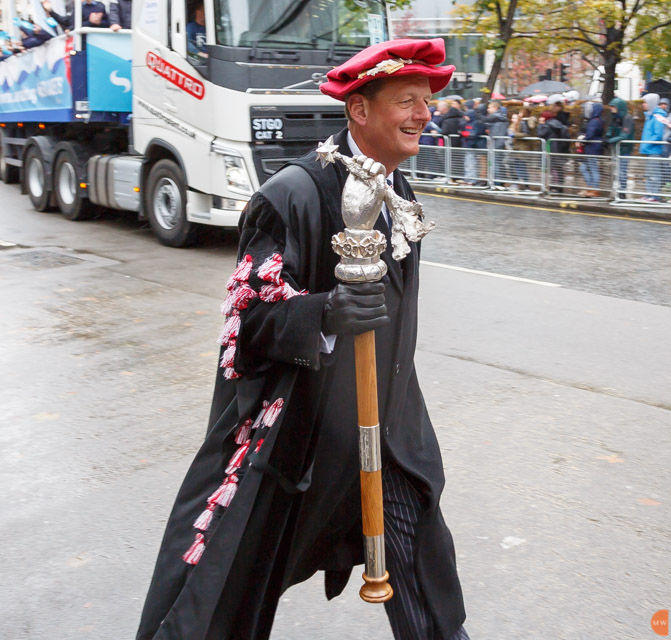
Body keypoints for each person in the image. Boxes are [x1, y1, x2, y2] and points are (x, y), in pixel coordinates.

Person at [136, 38, 470, 640]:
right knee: (222, 596)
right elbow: (247, 324)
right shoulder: (291, 195)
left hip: (387, 430)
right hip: (299, 436)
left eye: (427, 101)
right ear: (359, 110)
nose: (424, 114)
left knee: (429, 588)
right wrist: (325, 313)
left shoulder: (400, 193)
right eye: (408, 101)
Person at [636, 93, 669, 202]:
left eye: (645, 102)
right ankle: (649, 194)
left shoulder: (657, 117)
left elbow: (658, 135)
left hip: (654, 150)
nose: (643, 105)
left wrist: (646, 143)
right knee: (649, 173)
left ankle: (654, 195)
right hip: (650, 149)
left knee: (654, 174)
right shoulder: (650, 117)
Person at [604, 97, 635, 198]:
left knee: (622, 170)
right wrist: (606, 137)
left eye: (613, 107)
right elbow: (611, 128)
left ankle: (622, 191)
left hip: (625, 149)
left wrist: (610, 141)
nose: (612, 109)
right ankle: (619, 190)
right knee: (618, 170)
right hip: (617, 148)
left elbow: (625, 135)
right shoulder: (616, 117)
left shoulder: (627, 118)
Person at [577, 101, 605, 197]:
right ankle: (591, 187)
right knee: (585, 168)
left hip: (592, 148)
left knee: (592, 169)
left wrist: (582, 139)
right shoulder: (597, 120)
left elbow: (590, 135)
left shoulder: (594, 121)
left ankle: (594, 189)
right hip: (592, 147)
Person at [508, 107, 539, 189]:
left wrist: (514, 135)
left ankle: (524, 184)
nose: (519, 114)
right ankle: (523, 184)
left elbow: (525, 134)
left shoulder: (524, 122)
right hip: (519, 147)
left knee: (521, 166)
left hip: (522, 148)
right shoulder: (523, 122)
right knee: (519, 166)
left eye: (521, 112)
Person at [483, 100, 510, 187]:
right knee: (495, 163)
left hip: (496, 146)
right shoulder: (496, 120)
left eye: (489, 107)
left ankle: (497, 182)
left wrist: (496, 146)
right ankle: (496, 182)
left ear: (495, 108)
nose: (488, 109)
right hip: (494, 145)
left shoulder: (499, 121)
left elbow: (499, 135)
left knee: (496, 163)